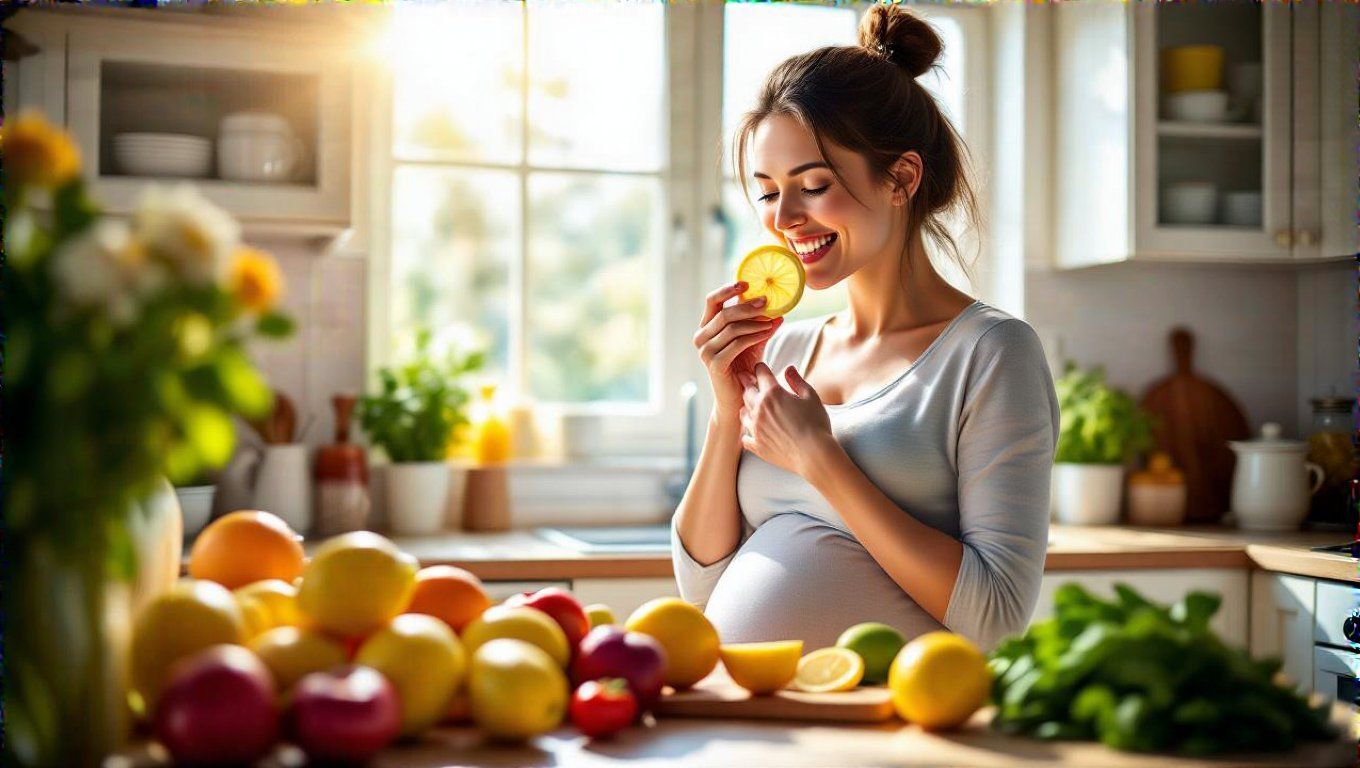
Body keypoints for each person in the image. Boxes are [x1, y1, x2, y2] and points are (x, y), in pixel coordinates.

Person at [671, 4, 1060, 653]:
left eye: (814, 185)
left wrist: (821, 461)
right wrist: (727, 405)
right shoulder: (787, 347)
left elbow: (996, 615)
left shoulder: (991, 353)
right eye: (768, 192)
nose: (784, 218)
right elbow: (701, 586)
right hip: (753, 723)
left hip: (897, 733)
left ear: (902, 178)